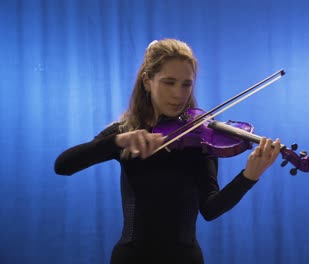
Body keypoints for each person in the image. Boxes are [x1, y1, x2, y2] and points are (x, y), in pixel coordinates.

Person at [54, 38, 281, 264]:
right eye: (168, 82)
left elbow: (211, 209)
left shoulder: (201, 137)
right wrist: (118, 141)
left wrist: (248, 176)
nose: (178, 94)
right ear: (147, 81)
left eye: (186, 84)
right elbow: (64, 165)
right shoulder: (127, 133)